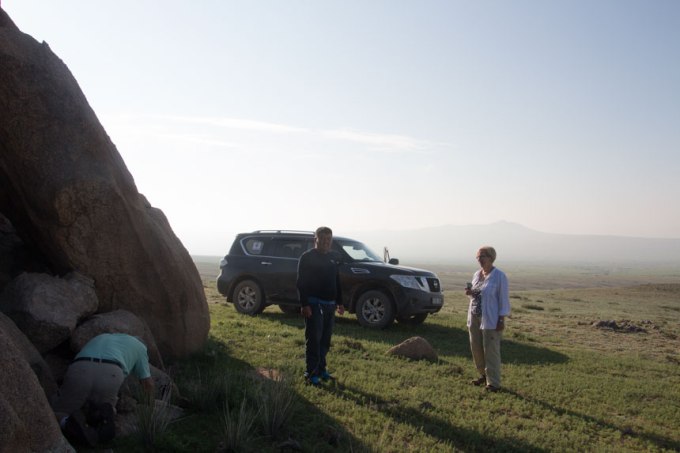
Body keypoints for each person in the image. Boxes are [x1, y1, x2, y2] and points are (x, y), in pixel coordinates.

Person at [51, 332, 155, 446]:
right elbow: (147, 383)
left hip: (81, 367)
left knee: (58, 412)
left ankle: (67, 422)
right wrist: (150, 406)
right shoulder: (140, 347)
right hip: (111, 373)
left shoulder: (102, 336)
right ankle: (102, 421)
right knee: (104, 409)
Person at [297, 226, 344, 386]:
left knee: (325, 341)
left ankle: (322, 370)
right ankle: (311, 373)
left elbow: (336, 281)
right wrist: (304, 304)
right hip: (314, 304)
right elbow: (301, 283)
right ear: (315, 240)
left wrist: (340, 302)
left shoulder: (333, 258)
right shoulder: (307, 257)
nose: (326, 242)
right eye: (322, 239)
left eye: (328, 239)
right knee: (314, 340)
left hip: (330, 305)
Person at [465, 246, 510, 392]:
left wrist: (501, 319)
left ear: (491, 257)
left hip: (491, 318)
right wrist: (471, 293)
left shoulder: (499, 276)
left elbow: (503, 299)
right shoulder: (477, 275)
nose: (479, 259)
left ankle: (493, 383)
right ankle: (483, 375)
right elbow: (478, 295)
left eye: (482, 256)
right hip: (474, 317)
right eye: (478, 257)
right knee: (476, 347)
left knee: (491, 350)